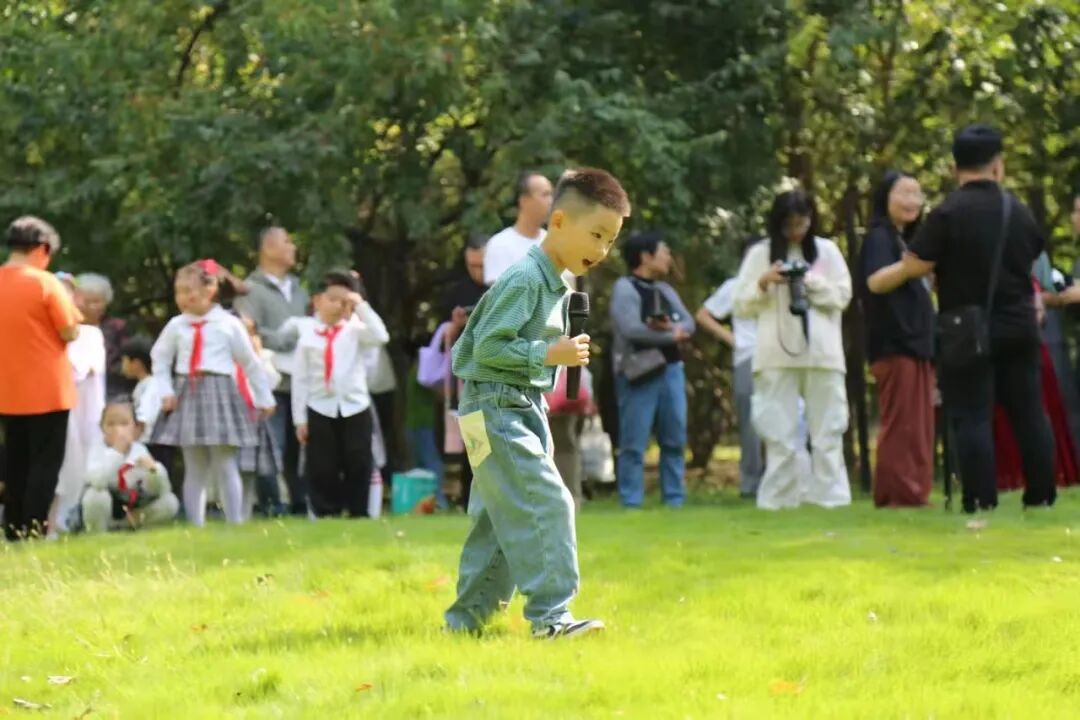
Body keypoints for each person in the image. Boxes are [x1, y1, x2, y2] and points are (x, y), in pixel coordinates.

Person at [445, 167, 631, 639]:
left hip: (508, 408)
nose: (602, 250)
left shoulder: (554, 282)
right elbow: (480, 348)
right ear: (562, 221)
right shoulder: (527, 279)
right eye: (597, 234)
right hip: (496, 408)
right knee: (547, 502)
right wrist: (550, 354)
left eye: (610, 240)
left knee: (497, 519)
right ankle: (552, 618)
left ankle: (465, 623)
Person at [868, 124, 1055, 513]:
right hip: (1020, 326)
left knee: (972, 416)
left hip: (966, 331)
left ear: (955, 168)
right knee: (1029, 412)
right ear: (998, 166)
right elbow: (1032, 257)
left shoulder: (948, 213)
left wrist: (892, 275)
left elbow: (917, 265)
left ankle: (980, 499)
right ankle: (1041, 495)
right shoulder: (1018, 211)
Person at [734, 190, 853, 510]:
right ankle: (779, 498)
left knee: (828, 429)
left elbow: (842, 296)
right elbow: (741, 305)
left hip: (823, 354)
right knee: (778, 432)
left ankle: (830, 496)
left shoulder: (827, 251)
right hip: (775, 353)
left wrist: (812, 282)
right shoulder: (760, 253)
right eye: (790, 225)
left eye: (803, 223)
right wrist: (764, 282)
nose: (797, 231)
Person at [150, 261, 276, 526]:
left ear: (210, 290)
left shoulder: (228, 323)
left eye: (189, 290)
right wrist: (166, 390)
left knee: (224, 461)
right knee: (194, 463)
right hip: (187, 390)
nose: (183, 297)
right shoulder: (176, 325)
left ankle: (235, 522)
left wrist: (264, 397)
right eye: (179, 291)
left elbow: (250, 362)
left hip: (220, 392)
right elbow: (160, 359)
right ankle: (196, 524)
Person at [0, 217, 82, 540]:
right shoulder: (45, 283)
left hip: (6, 390)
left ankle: (12, 528)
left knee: (14, 461)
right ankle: (34, 528)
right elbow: (70, 330)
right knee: (45, 465)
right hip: (48, 390)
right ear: (43, 250)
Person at [859, 171, 936, 508]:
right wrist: (909, 268)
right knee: (901, 425)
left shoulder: (908, 239)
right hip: (895, 344)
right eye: (903, 193)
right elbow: (875, 282)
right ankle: (897, 494)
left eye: (917, 194)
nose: (912, 201)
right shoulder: (879, 237)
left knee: (918, 426)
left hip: (917, 343)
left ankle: (915, 492)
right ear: (885, 199)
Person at [293, 271, 390, 518]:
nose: (338, 305)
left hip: (354, 405)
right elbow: (300, 379)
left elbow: (381, 336)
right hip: (319, 405)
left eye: (344, 300)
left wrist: (361, 306)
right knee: (323, 463)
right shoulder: (307, 335)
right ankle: (325, 511)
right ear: (317, 301)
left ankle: (359, 510)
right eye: (333, 299)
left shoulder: (355, 330)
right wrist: (299, 419)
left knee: (358, 460)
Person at [610, 231, 694, 508]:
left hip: (671, 370)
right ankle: (631, 502)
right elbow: (632, 329)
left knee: (674, 438)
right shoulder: (625, 288)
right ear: (645, 256)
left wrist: (669, 327)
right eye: (664, 251)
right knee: (634, 443)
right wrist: (671, 335)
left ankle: (674, 499)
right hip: (640, 374)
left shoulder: (664, 290)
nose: (668, 257)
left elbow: (689, 323)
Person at [234, 226, 310, 515]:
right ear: (268, 248)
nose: (293, 247)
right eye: (287, 242)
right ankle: (271, 504)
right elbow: (247, 330)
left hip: (302, 380)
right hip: (270, 380)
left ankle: (302, 503)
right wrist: (286, 337)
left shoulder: (300, 288)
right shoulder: (249, 289)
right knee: (271, 445)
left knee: (300, 447)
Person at [696, 238, 766, 499]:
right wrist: (733, 340)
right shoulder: (734, 286)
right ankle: (751, 484)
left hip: (778, 358)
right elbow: (704, 315)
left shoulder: (780, 285)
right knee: (750, 423)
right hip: (748, 358)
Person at [52, 274, 107, 533]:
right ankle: (57, 518)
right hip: (56, 406)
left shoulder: (89, 334)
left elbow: (78, 370)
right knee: (62, 461)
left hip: (85, 409)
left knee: (84, 459)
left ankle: (76, 516)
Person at [441, 234, 490, 509]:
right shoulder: (458, 292)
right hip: (469, 378)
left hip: (503, 372)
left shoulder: (507, 284)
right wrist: (456, 325)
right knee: (473, 441)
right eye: (472, 266)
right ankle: (470, 497)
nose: (478, 273)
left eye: (482, 266)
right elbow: (444, 339)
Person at [81, 400, 179, 532]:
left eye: (124, 424)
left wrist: (154, 470)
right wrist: (116, 452)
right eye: (110, 424)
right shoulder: (97, 449)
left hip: (133, 505)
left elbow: (161, 489)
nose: (118, 430)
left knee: (170, 502)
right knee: (95, 496)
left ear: (136, 428)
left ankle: (130, 526)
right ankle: (98, 532)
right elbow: (97, 482)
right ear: (102, 427)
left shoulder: (139, 450)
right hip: (109, 505)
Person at [483, 172, 555, 284]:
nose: (551, 201)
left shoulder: (553, 243)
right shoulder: (500, 245)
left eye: (551, 195)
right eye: (545, 195)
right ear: (524, 201)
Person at [74, 273, 131, 396]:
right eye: (87, 301)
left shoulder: (117, 326)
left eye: (97, 301)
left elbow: (126, 361)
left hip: (111, 389)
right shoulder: (68, 328)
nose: (93, 306)